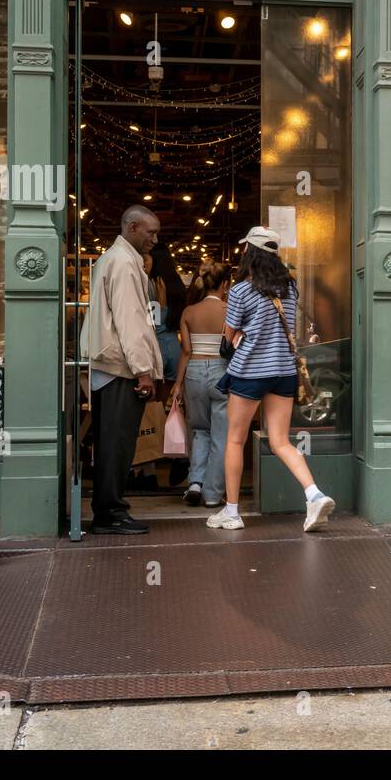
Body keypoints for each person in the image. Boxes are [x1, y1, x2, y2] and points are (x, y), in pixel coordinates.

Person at [210, 226, 335, 532]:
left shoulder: (240, 290)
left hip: (250, 373)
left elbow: (229, 334)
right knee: (280, 441)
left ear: (249, 253)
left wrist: (241, 335)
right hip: (283, 372)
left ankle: (232, 512)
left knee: (235, 440)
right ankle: (314, 494)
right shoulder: (290, 288)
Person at [81, 204, 163, 535]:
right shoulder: (125, 264)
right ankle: (110, 512)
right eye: (150, 232)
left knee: (109, 442)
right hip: (120, 368)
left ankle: (108, 509)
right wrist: (143, 370)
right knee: (117, 443)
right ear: (131, 228)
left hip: (110, 365)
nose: (155, 239)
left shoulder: (112, 259)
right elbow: (131, 322)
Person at [173, 260, 231, 511]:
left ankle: (195, 482)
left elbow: (186, 350)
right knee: (221, 435)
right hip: (222, 370)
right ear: (225, 284)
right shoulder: (230, 311)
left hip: (194, 371)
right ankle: (212, 494)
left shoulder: (188, 312)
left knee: (199, 430)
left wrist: (177, 384)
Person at [147, 242, 187, 393]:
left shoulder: (153, 285)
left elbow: (152, 323)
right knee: (167, 402)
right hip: (174, 348)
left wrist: (160, 307)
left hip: (156, 347)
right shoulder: (178, 286)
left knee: (150, 403)